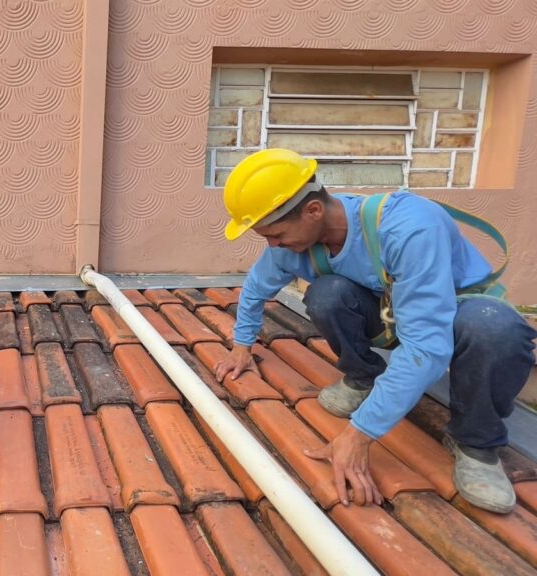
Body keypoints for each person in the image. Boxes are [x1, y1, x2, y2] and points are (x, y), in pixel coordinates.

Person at [214, 148, 535, 514]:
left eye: (276, 234)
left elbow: (427, 346)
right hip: (392, 315)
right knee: (327, 294)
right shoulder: (293, 245)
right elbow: (256, 287)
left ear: (313, 211)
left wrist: (358, 435)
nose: (272, 245)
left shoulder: (409, 227)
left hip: (454, 312)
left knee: (494, 327)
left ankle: (477, 443)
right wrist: (242, 344)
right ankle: (363, 377)